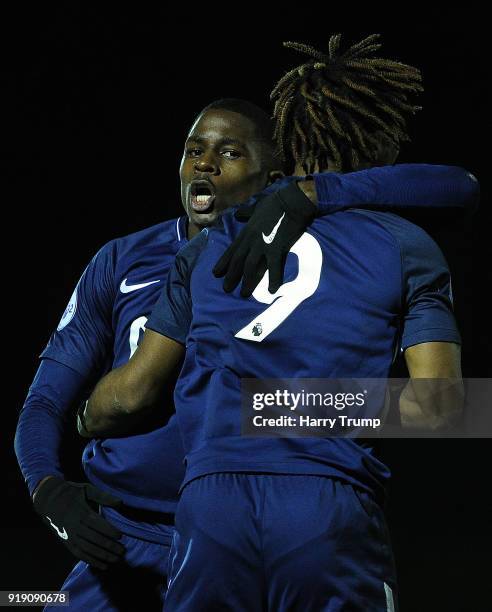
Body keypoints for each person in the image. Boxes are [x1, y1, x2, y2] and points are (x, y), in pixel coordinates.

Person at [80, 35, 472, 610]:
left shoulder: (210, 243)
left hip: (208, 507)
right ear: (384, 148)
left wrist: (88, 413)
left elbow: (134, 392)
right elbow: (442, 408)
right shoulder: (408, 245)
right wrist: (285, 407)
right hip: (325, 502)